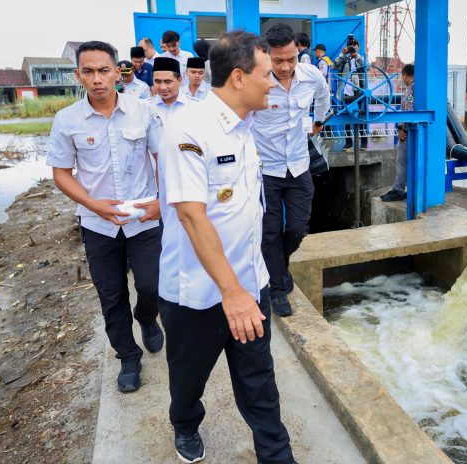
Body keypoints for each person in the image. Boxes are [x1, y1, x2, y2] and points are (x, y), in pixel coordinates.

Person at [157, 30, 296, 464]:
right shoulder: (187, 129)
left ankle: (277, 456)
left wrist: (245, 289)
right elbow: (191, 216)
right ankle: (185, 424)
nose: (273, 82)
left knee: (260, 383)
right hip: (197, 294)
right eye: (266, 74)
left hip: (249, 283)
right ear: (238, 77)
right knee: (189, 379)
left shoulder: (245, 127)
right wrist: (230, 293)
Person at [47, 41, 163, 394]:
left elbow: (164, 158)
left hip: (143, 218)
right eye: (89, 71)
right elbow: (61, 173)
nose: (97, 79)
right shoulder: (67, 120)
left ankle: (147, 317)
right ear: (78, 75)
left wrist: (162, 202)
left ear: (117, 72)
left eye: (103, 70)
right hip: (98, 225)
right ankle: (128, 357)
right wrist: (93, 205)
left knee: (151, 285)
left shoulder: (143, 111)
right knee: (111, 295)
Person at [252, 23, 329, 317]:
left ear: (298, 50)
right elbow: (241, 116)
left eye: (291, 59)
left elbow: (323, 96)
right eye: (278, 60)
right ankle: (278, 288)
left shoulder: (311, 75)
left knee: (297, 228)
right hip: (266, 170)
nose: (285, 67)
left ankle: (279, 268)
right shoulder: (257, 80)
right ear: (267, 55)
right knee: (269, 231)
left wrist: (318, 122)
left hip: (298, 165)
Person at [381, 63, 414, 202]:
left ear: (405, 75)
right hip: (411, 130)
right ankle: (403, 189)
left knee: (401, 160)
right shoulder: (413, 88)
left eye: (403, 76)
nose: (403, 79)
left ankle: (398, 190)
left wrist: (401, 129)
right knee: (407, 161)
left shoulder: (412, 89)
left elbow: (408, 110)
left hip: (408, 132)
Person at [334, 39, 367, 151]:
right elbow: (334, 66)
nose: (353, 48)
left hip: (360, 91)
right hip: (346, 91)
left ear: (358, 47)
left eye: (354, 45)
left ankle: (364, 143)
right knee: (346, 117)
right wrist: (342, 54)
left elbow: (366, 67)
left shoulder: (361, 58)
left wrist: (356, 56)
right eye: (350, 46)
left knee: (361, 116)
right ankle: (348, 143)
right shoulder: (344, 59)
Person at [147, 57, 195, 124]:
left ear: (179, 80)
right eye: (158, 82)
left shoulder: (194, 106)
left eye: (167, 82)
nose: (163, 87)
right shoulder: (145, 106)